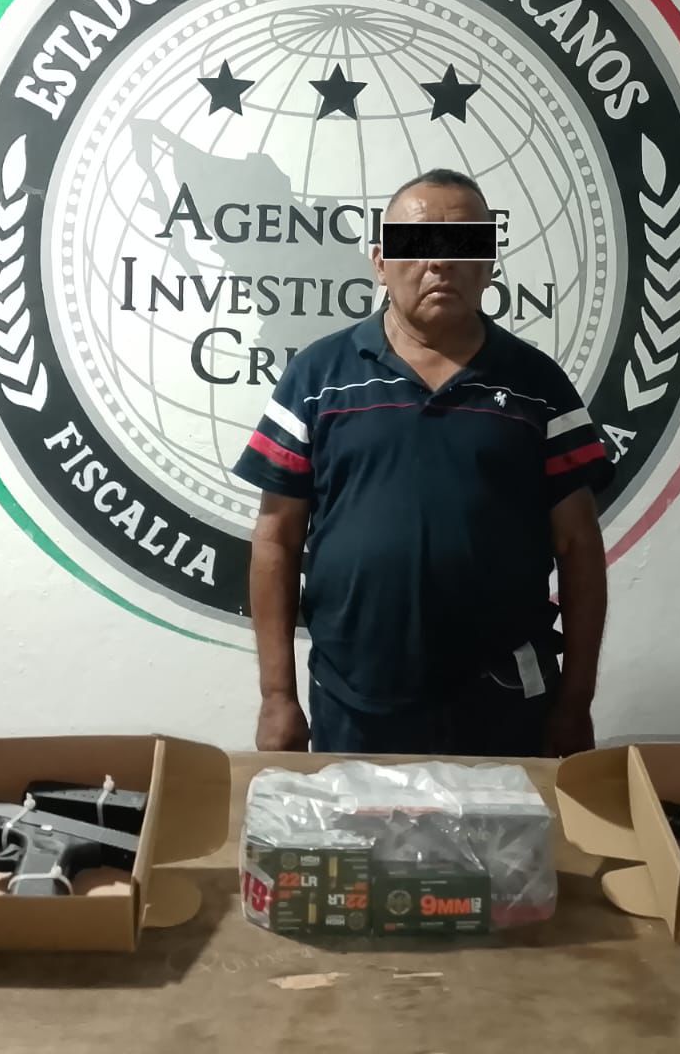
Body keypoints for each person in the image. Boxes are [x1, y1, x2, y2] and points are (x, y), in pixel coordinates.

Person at [232, 169, 613, 757]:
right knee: (359, 825)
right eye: (417, 243)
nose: (440, 262)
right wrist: (276, 696)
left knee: (511, 825)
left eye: (462, 243)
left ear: (488, 262)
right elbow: (276, 539)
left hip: (507, 705)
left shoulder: (539, 387)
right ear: (381, 262)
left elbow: (579, 546)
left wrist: (576, 701)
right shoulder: (317, 378)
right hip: (355, 702)